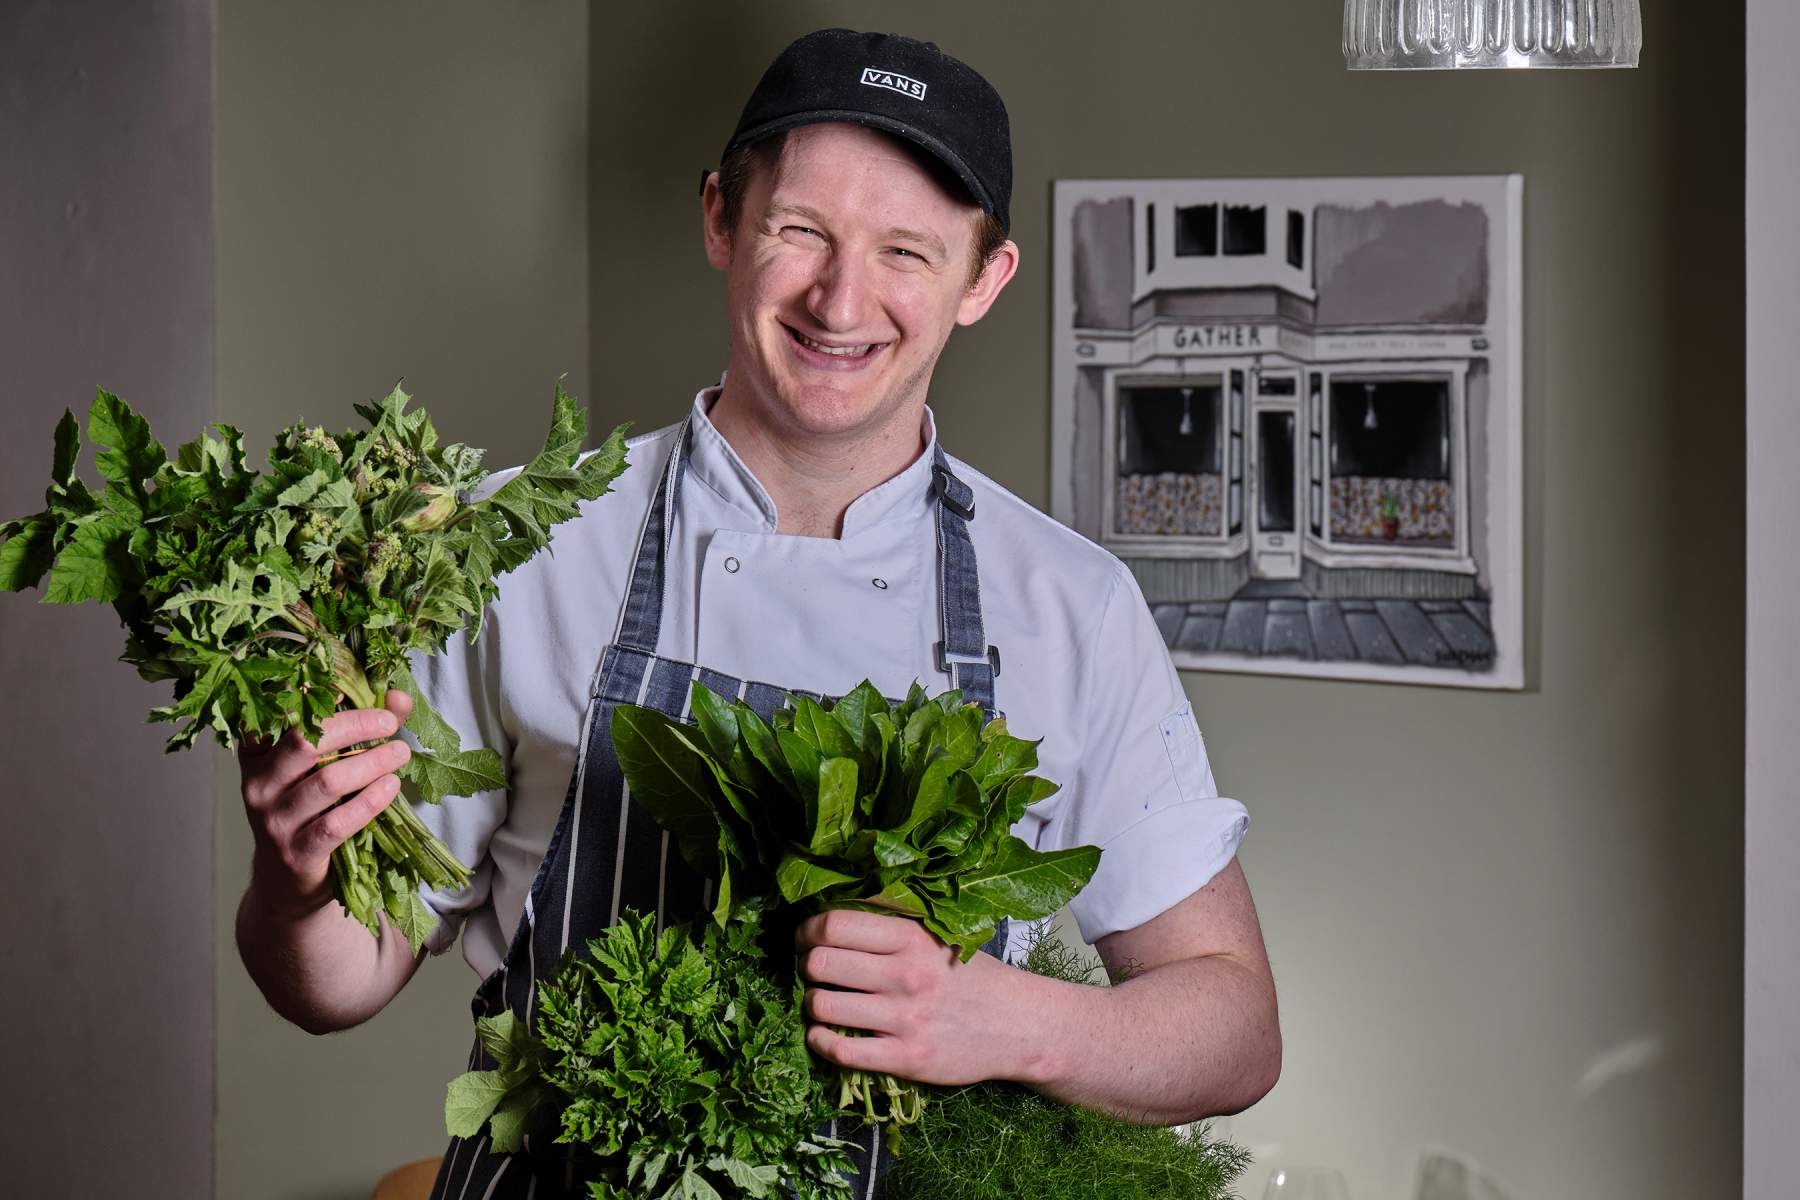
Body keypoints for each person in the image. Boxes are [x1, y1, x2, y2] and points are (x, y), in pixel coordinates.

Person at [234, 28, 1281, 1198]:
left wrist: (1006, 1022)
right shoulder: (518, 544)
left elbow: (1234, 1024)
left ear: (984, 281)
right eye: (801, 231)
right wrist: (294, 875)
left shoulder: (1071, 606)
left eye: (908, 251)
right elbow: (335, 981)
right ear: (722, 219)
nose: (843, 299)